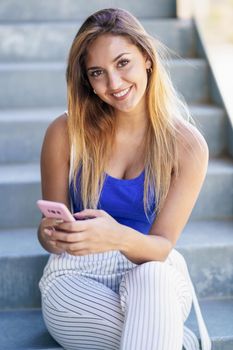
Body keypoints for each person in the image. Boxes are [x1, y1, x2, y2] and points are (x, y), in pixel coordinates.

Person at [37, 7, 211, 350]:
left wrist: (115, 235)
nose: (114, 84)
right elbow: (50, 234)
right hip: (75, 276)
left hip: (151, 268)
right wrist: (49, 235)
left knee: (154, 277)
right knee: (165, 337)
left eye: (123, 63)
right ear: (86, 79)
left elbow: (161, 247)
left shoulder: (188, 147)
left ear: (146, 57)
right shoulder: (64, 133)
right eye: (98, 72)